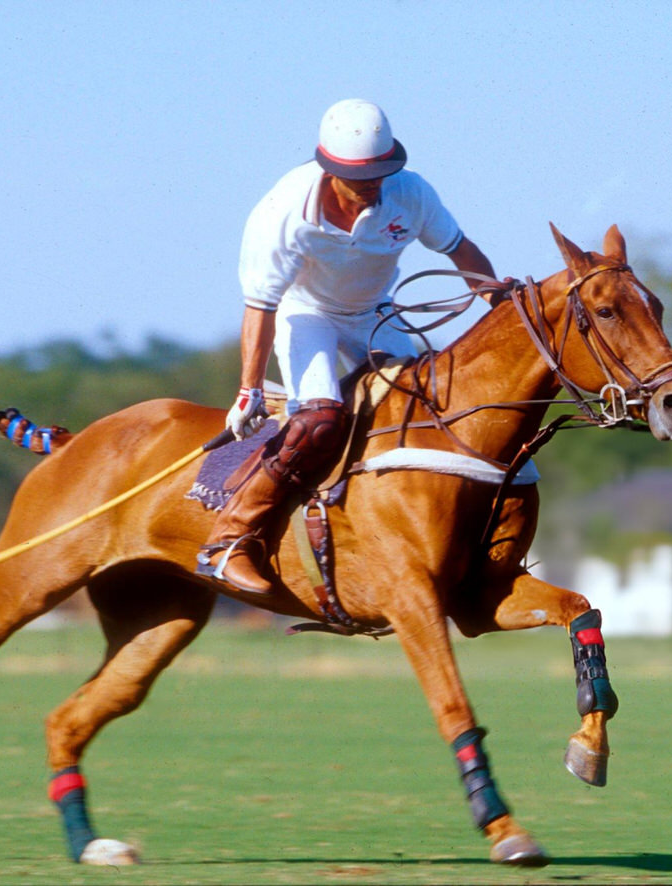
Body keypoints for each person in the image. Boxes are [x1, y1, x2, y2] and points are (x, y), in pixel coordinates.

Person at [196, 99, 500, 594]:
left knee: (435, 400)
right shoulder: (284, 212)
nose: (372, 187)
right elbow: (261, 306)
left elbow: (458, 249)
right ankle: (229, 541)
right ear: (328, 167)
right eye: (360, 178)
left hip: (375, 311)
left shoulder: (410, 194)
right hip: (307, 314)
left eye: (381, 173)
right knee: (319, 420)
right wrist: (248, 390)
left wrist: (497, 299)